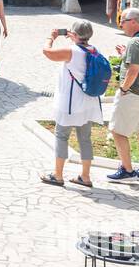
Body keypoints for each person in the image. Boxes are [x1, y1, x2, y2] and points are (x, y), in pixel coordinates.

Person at [39, 20, 103, 188]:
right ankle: (85, 176)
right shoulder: (93, 50)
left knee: (61, 136)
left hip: (70, 103)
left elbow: (47, 52)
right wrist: (74, 37)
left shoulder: (71, 51)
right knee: (85, 139)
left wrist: (51, 37)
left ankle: (58, 175)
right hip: (88, 102)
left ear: (73, 35)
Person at [107, 7, 139, 183]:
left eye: (123, 21)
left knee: (117, 131)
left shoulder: (135, 43)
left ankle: (127, 170)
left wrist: (123, 89)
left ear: (134, 21)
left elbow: (134, 70)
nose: (121, 25)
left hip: (134, 94)